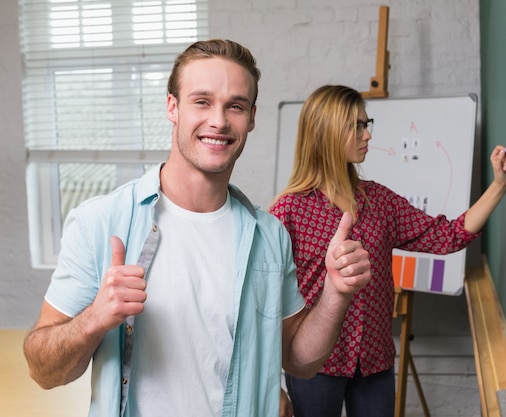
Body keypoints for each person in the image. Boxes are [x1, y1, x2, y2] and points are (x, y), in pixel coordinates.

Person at [23, 41, 371, 417]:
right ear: (172, 106)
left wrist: (336, 294)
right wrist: (95, 319)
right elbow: (43, 371)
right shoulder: (100, 222)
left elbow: (300, 361)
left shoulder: (269, 236)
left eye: (235, 105)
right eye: (201, 101)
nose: (219, 121)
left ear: (251, 118)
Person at [270, 84, 506, 417]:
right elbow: (268, 305)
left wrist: (499, 186)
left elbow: (447, 236)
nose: (367, 135)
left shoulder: (380, 202)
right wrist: (272, 385)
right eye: (356, 126)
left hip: (374, 363)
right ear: (326, 133)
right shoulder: (288, 212)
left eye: (366, 124)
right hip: (315, 368)